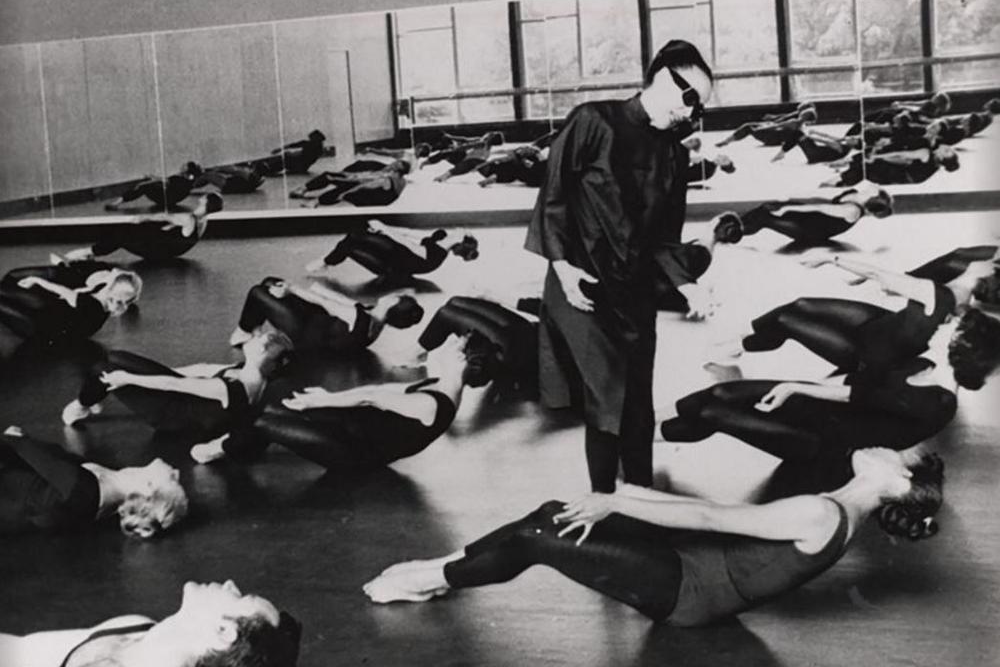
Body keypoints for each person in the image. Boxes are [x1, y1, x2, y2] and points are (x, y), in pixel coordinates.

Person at [363, 447, 943, 627]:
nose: (887, 446)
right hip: (696, 568)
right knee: (556, 513)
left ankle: (431, 579)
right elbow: (718, 515)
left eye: (900, 453)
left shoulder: (823, 512)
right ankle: (449, 566)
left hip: (691, 592)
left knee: (542, 534)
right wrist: (634, 494)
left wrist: (620, 501)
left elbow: (711, 518)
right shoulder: (840, 507)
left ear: (900, 480)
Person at [525, 39, 714, 493]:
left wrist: (687, 285)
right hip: (581, 284)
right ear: (664, 77)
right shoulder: (594, 120)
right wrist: (562, 268)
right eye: (690, 97)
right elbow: (553, 197)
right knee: (608, 393)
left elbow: (665, 238)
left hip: (635, 290)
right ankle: (604, 498)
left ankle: (642, 496)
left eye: (700, 107)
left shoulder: (675, 154)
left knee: (638, 399)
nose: (691, 112)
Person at [189, 334, 485, 472]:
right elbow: (381, 389)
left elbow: (372, 397)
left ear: (461, 360)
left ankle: (222, 448)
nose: (444, 342)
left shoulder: (432, 405)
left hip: (353, 454)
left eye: (452, 343)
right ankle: (246, 443)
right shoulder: (438, 385)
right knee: (282, 405)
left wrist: (326, 400)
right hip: (354, 431)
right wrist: (322, 402)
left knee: (262, 421)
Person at [726, 254, 999, 385]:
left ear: (984, 276)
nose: (989, 258)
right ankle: (747, 334)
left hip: (865, 354)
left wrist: (830, 258)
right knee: (802, 305)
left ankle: (740, 345)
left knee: (787, 320)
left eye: (993, 263)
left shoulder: (938, 295)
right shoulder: (968, 307)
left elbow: (877, 274)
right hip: (880, 324)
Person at [0, 580, 301, 667]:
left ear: (223, 632)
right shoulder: (134, 627)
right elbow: (20, 649)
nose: (230, 584)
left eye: (239, 596)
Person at [660, 356, 956, 459]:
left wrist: (794, 387)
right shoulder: (921, 365)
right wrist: (800, 388)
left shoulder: (938, 404)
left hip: (820, 442)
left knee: (711, 414)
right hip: (817, 406)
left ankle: (639, 437)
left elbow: (858, 396)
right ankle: (641, 423)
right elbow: (854, 380)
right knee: (720, 392)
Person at [60, 331, 293, 443]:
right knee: (116, 357)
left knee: (104, 368)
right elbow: (202, 368)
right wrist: (146, 370)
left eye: (257, 338)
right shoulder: (252, 373)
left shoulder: (235, 388)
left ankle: (82, 405)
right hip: (183, 400)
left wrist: (128, 378)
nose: (252, 336)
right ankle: (93, 396)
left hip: (172, 417)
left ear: (260, 351)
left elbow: (173, 384)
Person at [0, 427, 187, 538]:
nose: (176, 472)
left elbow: (20, 444)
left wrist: (18, 437)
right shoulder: (104, 492)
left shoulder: (86, 488)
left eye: (172, 479)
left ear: (148, 488)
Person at [229, 277, 422, 353]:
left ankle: (243, 333)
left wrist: (292, 289)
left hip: (305, 332)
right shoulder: (376, 320)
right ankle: (255, 329)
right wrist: (315, 288)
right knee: (272, 282)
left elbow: (325, 303)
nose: (391, 295)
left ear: (393, 304)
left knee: (258, 291)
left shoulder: (361, 318)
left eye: (395, 296)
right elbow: (346, 302)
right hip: (319, 326)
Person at [0, 266, 141, 360]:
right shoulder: (104, 297)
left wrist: (36, 280)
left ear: (111, 289)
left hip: (37, 327)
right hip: (48, 315)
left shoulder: (92, 305)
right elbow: (113, 275)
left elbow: (61, 290)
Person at [417, 296, 538, 395]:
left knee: (446, 314)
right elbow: (545, 306)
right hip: (531, 331)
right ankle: (418, 357)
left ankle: (414, 357)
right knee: (454, 302)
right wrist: (496, 297)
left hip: (531, 353)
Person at [56, 193, 223, 263]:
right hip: (169, 251)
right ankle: (91, 255)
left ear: (205, 201)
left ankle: (82, 254)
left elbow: (164, 216)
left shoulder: (189, 218)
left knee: (121, 234)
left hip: (158, 252)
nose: (202, 196)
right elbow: (178, 231)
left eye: (205, 196)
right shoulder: (203, 221)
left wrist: (143, 217)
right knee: (134, 231)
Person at [306, 221, 479, 280]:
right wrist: (383, 226)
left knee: (349, 247)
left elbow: (407, 244)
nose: (461, 228)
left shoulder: (437, 256)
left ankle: (325, 261)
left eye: (463, 232)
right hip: (394, 251)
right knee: (355, 235)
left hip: (389, 267)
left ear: (460, 241)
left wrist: (384, 228)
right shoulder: (440, 237)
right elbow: (410, 233)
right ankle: (328, 260)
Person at [737, 183, 893, 244]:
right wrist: (792, 201)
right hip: (812, 219)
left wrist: (787, 208)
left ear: (873, 196)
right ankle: (737, 222)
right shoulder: (854, 193)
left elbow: (819, 207)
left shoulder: (852, 210)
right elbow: (824, 201)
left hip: (809, 231)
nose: (875, 186)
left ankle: (736, 232)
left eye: (877, 189)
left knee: (765, 218)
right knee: (768, 206)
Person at [821, 145, 958, 188]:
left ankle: (839, 172)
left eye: (947, 151)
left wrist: (878, 157)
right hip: (897, 179)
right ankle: (841, 173)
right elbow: (906, 164)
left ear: (942, 157)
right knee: (866, 166)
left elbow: (901, 154)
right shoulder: (935, 166)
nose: (946, 147)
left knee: (868, 160)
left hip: (893, 175)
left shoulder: (925, 153)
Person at [289, 162, 408, 208]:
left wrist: (344, 190)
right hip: (379, 198)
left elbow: (362, 184)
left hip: (371, 198)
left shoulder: (385, 178)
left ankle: (310, 197)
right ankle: (309, 195)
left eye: (393, 166)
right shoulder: (400, 180)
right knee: (339, 181)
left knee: (339, 184)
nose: (390, 165)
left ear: (395, 171)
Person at [714, 102, 817, 148]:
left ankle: (726, 141)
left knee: (748, 126)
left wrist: (763, 127)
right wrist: (772, 119)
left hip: (772, 137)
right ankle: (727, 141)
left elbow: (778, 125)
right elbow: (783, 119)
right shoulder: (800, 123)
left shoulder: (795, 122)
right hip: (775, 136)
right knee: (754, 125)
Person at [103, 166, 199, 211]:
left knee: (143, 187)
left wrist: (148, 180)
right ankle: (119, 201)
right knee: (146, 185)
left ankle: (116, 203)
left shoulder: (180, 179)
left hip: (166, 200)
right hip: (171, 200)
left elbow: (165, 181)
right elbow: (168, 183)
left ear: (187, 172)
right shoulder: (188, 182)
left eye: (184, 167)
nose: (181, 168)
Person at [242, 129, 328, 176]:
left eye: (312, 138)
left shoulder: (312, 146)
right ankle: (267, 168)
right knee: (284, 159)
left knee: (285, 159)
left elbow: (303, 154)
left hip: (299, 166)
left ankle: (265, 169)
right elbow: (294, 145)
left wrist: (285, 152)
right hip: (302, 166)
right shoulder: (314, 146)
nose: (310, 139)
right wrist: (281, 149)